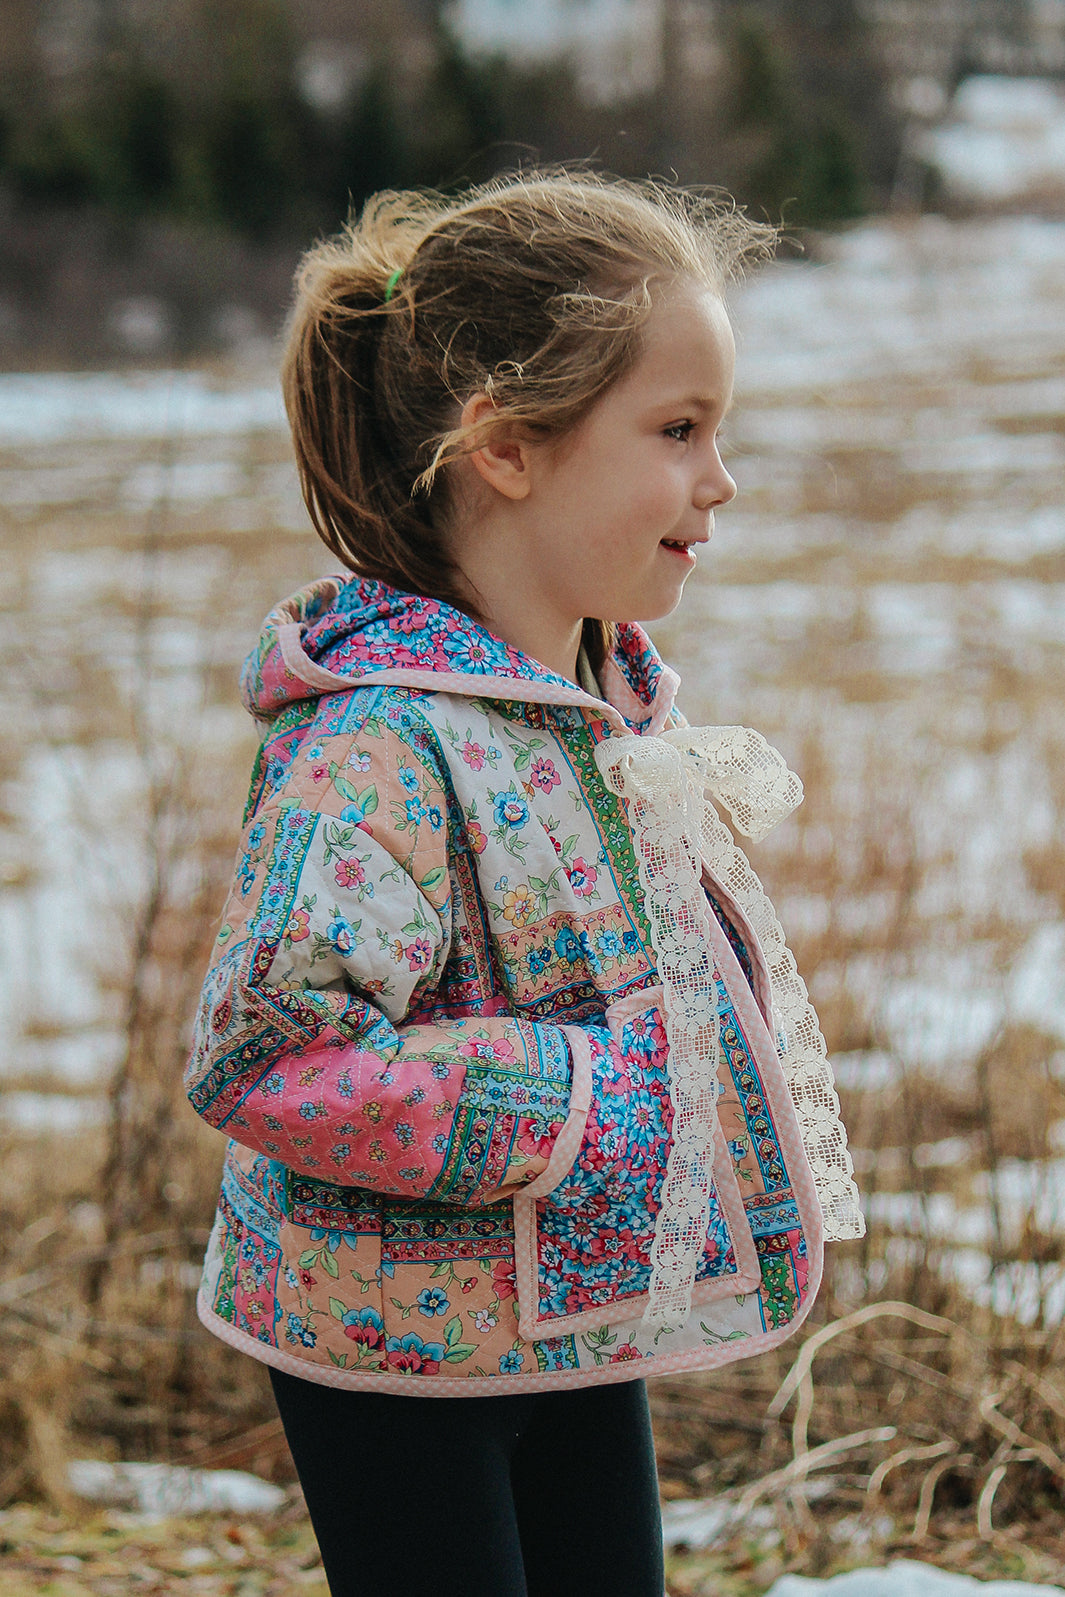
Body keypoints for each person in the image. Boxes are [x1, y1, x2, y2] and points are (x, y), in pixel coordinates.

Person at [185, 171, 862, 1597]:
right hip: (391, 1343)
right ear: (505, 446)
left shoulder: (598, 708)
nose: (720, 478)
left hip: (565, 1311)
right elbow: (264, 1055)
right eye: (677, 430)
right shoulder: (379, 741)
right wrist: (569, 1102)